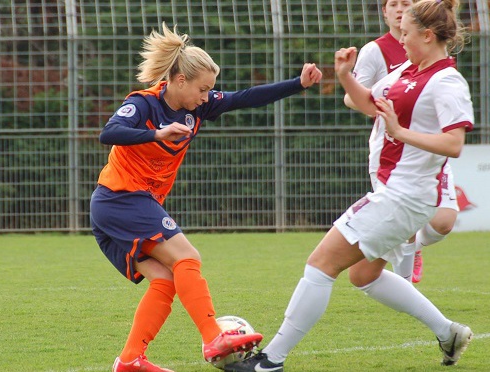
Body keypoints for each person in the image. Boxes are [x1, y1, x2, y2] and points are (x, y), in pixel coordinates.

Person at [224, 1, 473, 371]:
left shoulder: (446, 81)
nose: (400, 39)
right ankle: (447, 331)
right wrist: (344, 76)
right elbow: (369, 103)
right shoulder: (408, 69)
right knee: (363, 275)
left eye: (405, 33)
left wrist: (401, 132)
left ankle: (270, 361)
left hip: (405, 196)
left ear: (427, 34)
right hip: (394, 193)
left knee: (321, 264)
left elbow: (454, 143)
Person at [89, 23, 322, 372]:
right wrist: (156, 133)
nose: (207, 96)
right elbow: (109, 133)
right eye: (203, 88)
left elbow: (245, 97)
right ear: (180, 80)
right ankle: (214, 336)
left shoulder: (197, 107)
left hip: (126, 206)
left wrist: (298, 84)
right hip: (119, 198)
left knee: (166, 280)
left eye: (210, 90)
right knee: (187, 256)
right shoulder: (144, 104)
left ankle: (130, 360)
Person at [345, 0, 459, 284]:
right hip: (393, 149)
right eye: (392, 4)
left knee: (443, 222)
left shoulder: (432, 49)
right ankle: (406, 282)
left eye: (405, 3)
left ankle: (414, 247)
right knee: (403, 221)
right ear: (384, 12)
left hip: (429, 146)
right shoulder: (375, 50)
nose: (398, 8)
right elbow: (352, 97)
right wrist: (381, 102)